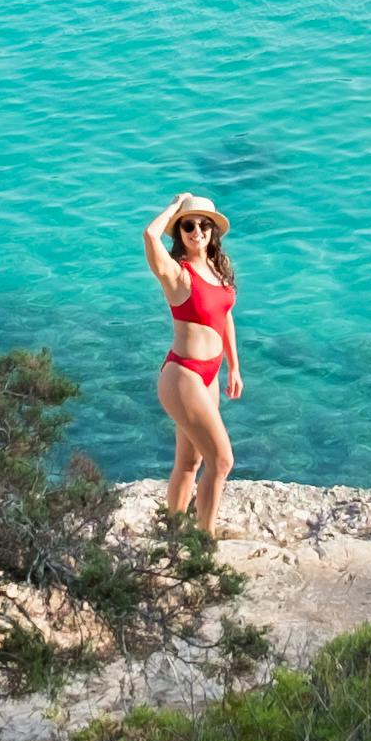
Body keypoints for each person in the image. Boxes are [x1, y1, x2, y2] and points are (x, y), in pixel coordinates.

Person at [143, 195, 240, 535]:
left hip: (210, 374)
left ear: (213, 230)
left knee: (190, 462)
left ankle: (173, 534)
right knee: (222, 460)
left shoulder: (217, 270)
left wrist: (234, 367)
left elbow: (224, 316)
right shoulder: (176, 275)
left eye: (203, 224)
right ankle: (204, 538)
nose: (196, 230)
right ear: (179, 231)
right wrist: (174, 207)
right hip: (183, 375)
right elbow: (149, 236)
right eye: (188, 225)